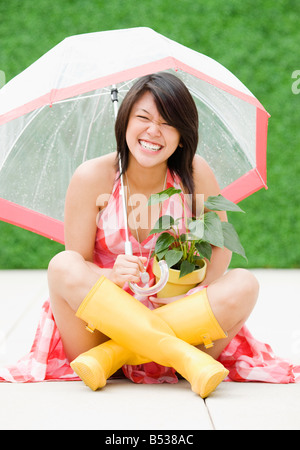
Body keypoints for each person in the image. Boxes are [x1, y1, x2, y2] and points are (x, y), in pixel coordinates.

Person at [46, 72, 259, 397]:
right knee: (62, 265)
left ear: (183, 136)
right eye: (143, 118)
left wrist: (191, 289)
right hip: (103, 327)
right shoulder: (92, 178)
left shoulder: (195, 174)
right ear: (125, 123)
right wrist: (110, 274)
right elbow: (78, 263)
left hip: (179, 314)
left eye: (168, 123)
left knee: (244, 284)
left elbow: (220, 249)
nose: (152, 132)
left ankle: (113, 356)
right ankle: (181, 356)